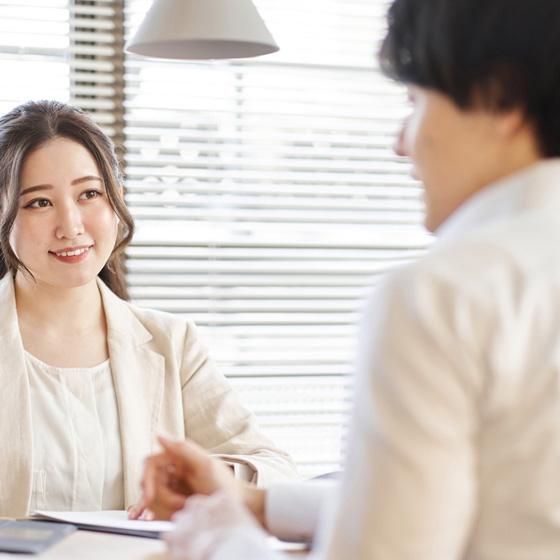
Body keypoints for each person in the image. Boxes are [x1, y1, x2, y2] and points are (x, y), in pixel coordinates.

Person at [131, 0, 560, 558]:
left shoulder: (444, 293)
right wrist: (255, 503)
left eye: (416, 103)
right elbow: (501, 503)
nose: (400, 143)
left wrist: (220, 542)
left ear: (499, 98)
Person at [0, 99, 298, 518]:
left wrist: (212, 478)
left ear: (117, 199)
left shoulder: (172, 344)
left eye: (89, 194)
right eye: (39, 203)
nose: (71, 226)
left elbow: (277, 470)